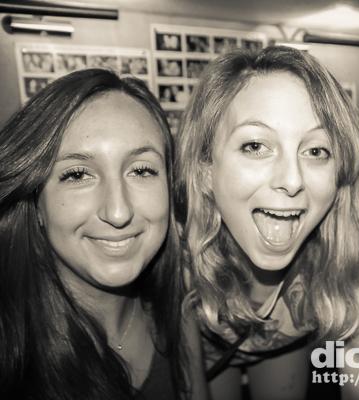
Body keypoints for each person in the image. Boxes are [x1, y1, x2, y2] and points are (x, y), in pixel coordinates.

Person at [176, 46, 359, 400]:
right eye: (255, 146)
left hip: (283, 346)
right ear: (205, 170)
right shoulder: (177, 259)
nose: (292, 181)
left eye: (316, 151)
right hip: (208, 347)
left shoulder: (350, 256)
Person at [0, 69, 207, 400]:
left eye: (142, 170)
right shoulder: (11, 347)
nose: (118, 212)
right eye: (78, 174)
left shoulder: (178, 311)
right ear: (36, 201)